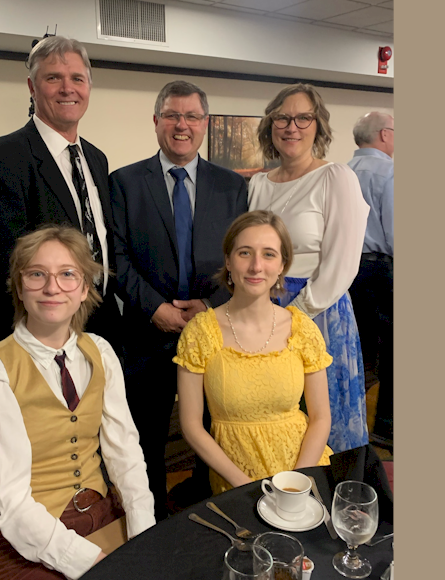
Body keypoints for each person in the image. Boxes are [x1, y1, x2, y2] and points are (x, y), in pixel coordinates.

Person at [0, 226, 155, 580]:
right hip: (28, 534)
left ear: (84, 289)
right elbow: (13, 504)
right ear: (20, 288)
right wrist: (91, 562)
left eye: (67, 274)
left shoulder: (101, 352)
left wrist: (144, 534)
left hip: (100, 510)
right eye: (37, 274)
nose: (52, 288)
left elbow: (125, 454)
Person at [109, 80, 248, 518]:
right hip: (147, 332)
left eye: (191, 116)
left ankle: (209, 504)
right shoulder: (124, 182)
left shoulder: (232, 186)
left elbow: (241, 255)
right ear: (156, 121)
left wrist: (210, 305)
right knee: (146, 433)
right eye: (172, 115)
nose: (181, 125)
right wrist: (155, 308)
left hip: (214, 330)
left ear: (205, 123)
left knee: (214, 425)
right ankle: (149, 516)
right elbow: (116, 257)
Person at [0, 36, 121, 352]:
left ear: (89, 87)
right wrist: (10, 352)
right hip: (40, 337)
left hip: (104, 324)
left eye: (77, 79)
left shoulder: (96, 159)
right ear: (32, 86)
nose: (67, 89)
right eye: (53, 78)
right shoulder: (0, 158)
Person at [174, 210, 334, 494]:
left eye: (269, 254)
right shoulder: (200, 333)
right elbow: (191, 425)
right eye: (245, 253)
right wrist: (245, 487)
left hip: (303, 472)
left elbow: (321, 417)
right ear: (228, 261)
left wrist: (296, 483)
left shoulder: (302, 329)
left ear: (282, 265)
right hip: (235, 482)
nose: (256, 266)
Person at [248, 84, 370, 453]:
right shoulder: (258, 184)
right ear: (270, 124)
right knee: (270, 416)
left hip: (318, 313)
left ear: (318, 126)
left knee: (321, 420)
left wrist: (295, 316)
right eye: (282, 118)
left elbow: (342, 263)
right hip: (261, 310)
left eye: (304, 118)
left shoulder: (336, 178)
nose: (292, 127)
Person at [346, 111, 394, 449]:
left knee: (355, 351)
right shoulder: (390, 173)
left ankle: (350, 427)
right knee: (392, 351)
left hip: (347, 270)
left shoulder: (340, 172)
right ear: (384, 134)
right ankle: (386, 426)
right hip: (382, 270)